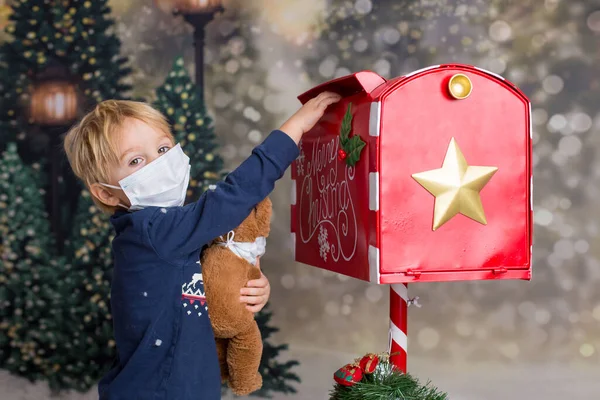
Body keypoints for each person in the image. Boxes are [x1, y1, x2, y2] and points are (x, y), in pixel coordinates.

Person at [63, 91, 341, 399]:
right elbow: (232, 198)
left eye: (163, 148)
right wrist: (295, 129)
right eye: (136, 160)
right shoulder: (151, 231)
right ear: (107, 194)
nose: (161, 163)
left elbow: (210, 274)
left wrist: (249, 284)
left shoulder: (167, 234)